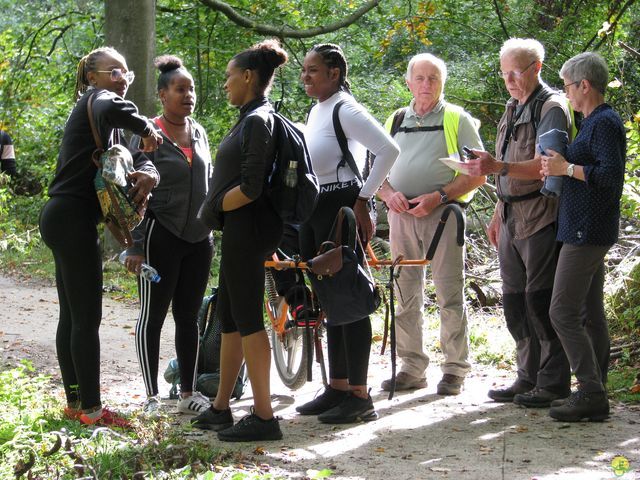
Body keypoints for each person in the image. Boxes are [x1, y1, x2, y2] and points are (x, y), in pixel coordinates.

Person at [38, 47, 162, 426]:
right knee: (86, 316)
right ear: (92, 78)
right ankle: (92, 410)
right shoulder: (98, 99)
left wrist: (147, 163)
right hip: (71, 216)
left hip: (61, 216)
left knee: (72, 315)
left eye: (126, 73)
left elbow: (128, 156)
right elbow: (115, 108)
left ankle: (76, 403)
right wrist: (149, 128)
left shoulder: (98, 116)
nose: (122, 78)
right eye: (113, 72)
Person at [294, 43, 399, 423]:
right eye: (303, 71)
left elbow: (388, 150)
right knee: (330, 298)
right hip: (317, 206)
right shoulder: (318, 108)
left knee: (350, 299)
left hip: (341, 205)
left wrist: (363, 198)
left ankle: (359, 394)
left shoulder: (345, 108)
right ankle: (337, 387)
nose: (305, 76)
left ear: (334, 73)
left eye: (313, 71)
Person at [466, 38, 572, 407]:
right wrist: (498, 209)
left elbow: (549, 168)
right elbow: (503, 166)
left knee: (540, 301)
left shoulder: (552, 107)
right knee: (513, 302)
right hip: (510, 215)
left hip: (541, 215)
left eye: (516, 72)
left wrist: (499, 168)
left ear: (536, 68)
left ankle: (553, 382)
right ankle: (526, 377)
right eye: (505, 73)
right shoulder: (513, 106)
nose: (509, 80)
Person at [191, 39, 287, 441]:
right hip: (239, 230)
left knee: (247, 320)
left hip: (248, 230)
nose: (225, 84)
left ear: (248, 77)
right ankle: (221, 408)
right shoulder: (249, 117)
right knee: (230, 317)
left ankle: (264, 418)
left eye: (230, 77)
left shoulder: (258, 120)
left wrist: (211, 208)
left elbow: (250, 187)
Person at [377, 53, 485, 396]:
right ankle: (411, 367)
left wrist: (437, 197)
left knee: (449, 292)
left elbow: (478, 173)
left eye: (433, 78)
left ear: (442, 83)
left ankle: (454, 369)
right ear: (408, 83)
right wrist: (388, 193)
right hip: (400, 217)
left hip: (442, 216)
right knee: (404, 293)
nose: (426, 85)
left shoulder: (457, 118)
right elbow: (375, 171)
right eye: (420, 78)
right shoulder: (395, 120)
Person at [122, 55, 213, 417]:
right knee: (153, 316)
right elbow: (129, 194)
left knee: (189, 317)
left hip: (199, 239)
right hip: (160, 236)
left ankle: (188, 391)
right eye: (180, 89)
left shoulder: (200, 131)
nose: (188, 95)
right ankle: (151, 395)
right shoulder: (146, 135)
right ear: (162, 94)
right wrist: (134, 245)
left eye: (190, 89)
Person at [540, 52, 626, 422]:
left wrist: (566, 167)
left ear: (584, 85)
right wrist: (560, 165)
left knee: (561, 311)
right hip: (583, 227)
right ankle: (596, 391)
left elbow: (610, 177)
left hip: (587, 230)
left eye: (568, 86)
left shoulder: (604, 122)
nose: (567, 94)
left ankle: (590, 390)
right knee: (590, 313)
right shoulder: (591, 122)